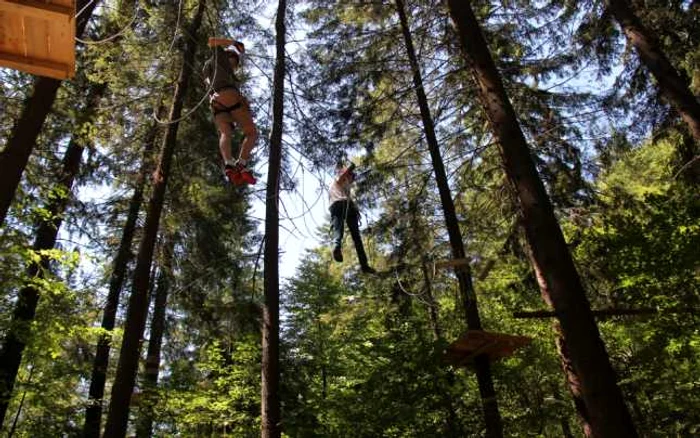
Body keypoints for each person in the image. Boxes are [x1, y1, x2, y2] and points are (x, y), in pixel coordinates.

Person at [203, 37, 258, 185]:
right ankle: (242, 164)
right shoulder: (220, 58)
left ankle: (229, 164)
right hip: (228, 95)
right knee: (251, 133)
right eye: (234, 62)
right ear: (229, 56)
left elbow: (208, 82)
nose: (234, 66)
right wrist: (235, 43)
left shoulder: (208, 67)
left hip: (215, 102)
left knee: (226, 133)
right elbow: (212, 41)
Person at [329, 163, 376, 274]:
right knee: (356, 238)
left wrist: (355, 210)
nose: (352, 180)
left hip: (335, 206)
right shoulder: (338, 180)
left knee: (338, 229)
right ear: (347, 175)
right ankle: (364, 265)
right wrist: (351, 167)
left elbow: (349, 198)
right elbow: (343, 176)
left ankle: (337, 246)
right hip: (342, 204)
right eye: (351, 177)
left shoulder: (344, 189)